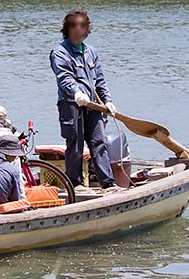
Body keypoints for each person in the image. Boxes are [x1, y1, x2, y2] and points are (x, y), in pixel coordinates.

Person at [49, 10, 132, 191]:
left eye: (82, 25)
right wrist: (77, 93)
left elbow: (99, 80)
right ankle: (76, 184)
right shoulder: (60, 52)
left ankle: (108, 183)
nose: (78, 29)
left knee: (98, 142)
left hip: (93, 105)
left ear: (87, 29)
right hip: (71, 104)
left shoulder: (91, 51)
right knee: (75, 143)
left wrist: (107, 101)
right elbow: (64, 77)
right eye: (74, 25)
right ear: (67, 29)